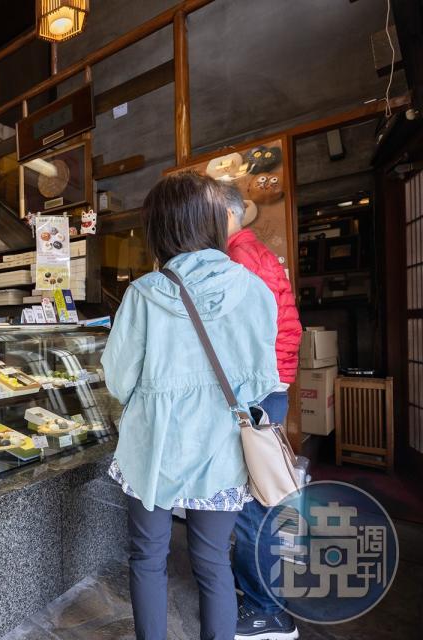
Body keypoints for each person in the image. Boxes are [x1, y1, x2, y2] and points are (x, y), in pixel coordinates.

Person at [101, 171, 279, 640]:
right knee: (213, 563)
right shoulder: (254, 290)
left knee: (148, 557)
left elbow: (118, 381)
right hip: (221, 450)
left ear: (159, 229)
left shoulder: (143, 294)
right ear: (213, 223)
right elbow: (263, 381)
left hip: (152, 452)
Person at [222, 184, 303, 640]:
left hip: (258, 389)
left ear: (224, 215)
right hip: (270, 385)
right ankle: (260, 595)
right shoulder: (254, 252)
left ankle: (266, 611)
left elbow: (241, 338)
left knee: (255, 505)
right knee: (262, 496)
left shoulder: (239, 259)